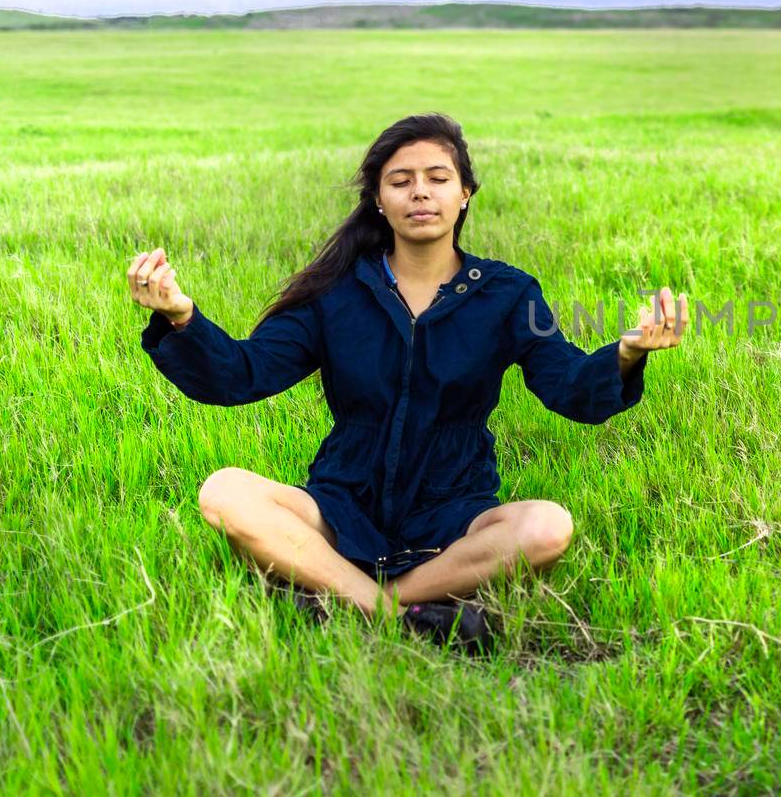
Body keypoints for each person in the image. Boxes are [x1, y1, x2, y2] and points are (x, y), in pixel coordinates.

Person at [127, 112, 684, 652]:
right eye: (401, 180)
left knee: (545, 526)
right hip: (343, 507)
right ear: (379, 199)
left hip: (454, 513)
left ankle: (348, 599)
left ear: (465, 192)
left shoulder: (508, 293)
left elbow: (567, 385)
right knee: (224, 492)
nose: (420, 192)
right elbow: (241, 374)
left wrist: (626, 353)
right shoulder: (336, 292)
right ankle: (406, 615)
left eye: (438, 178)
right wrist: (181, 316)